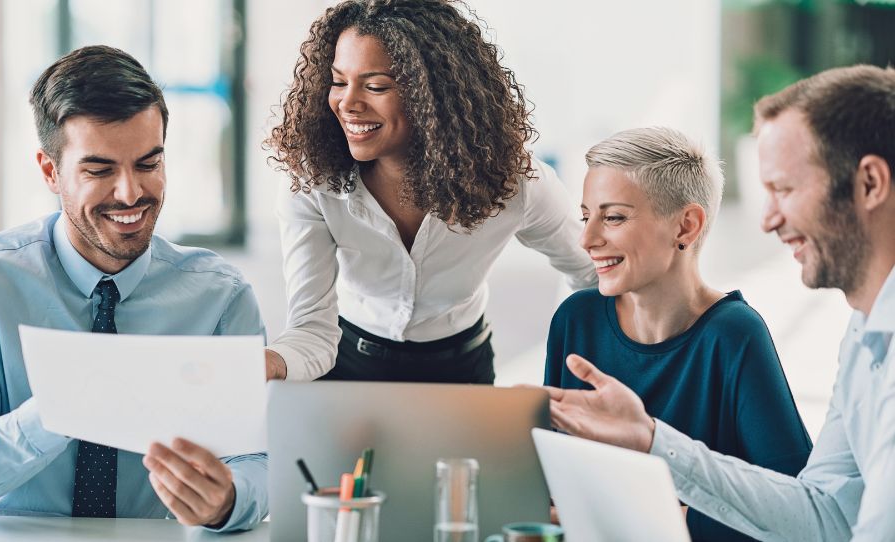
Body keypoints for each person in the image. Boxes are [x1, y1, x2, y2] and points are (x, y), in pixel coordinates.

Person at [0, 45, 268, 531]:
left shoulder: (220, 298)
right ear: (49, 171)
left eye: (148, 163)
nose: (130, 193)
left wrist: (228, 500)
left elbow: (258, 461)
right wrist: (63, 407)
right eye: (99, 170)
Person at [546, 64, 895, 541]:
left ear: (871, 184)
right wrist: (652, 439)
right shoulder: (864, 337)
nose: (768, 220)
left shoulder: (737, 331)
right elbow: (822, 518)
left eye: (784, 189)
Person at [263, 0, 596, 382]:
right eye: (338, 82)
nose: (348, 103)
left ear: (432, 95)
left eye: (375, 86)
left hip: (460, 366)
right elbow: (312, 333)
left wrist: (568, 361)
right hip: (347, 359)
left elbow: (590, 273)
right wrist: (268, 363)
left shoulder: (514, 182)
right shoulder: (312, 182)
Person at [543, 127, 811, 541]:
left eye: (612, 217)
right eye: (586, 216)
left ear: (685, 227)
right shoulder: (575, 320)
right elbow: (551, 480)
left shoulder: (735, 335)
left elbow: (797, 512)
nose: (587, 239)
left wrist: (650, 520)